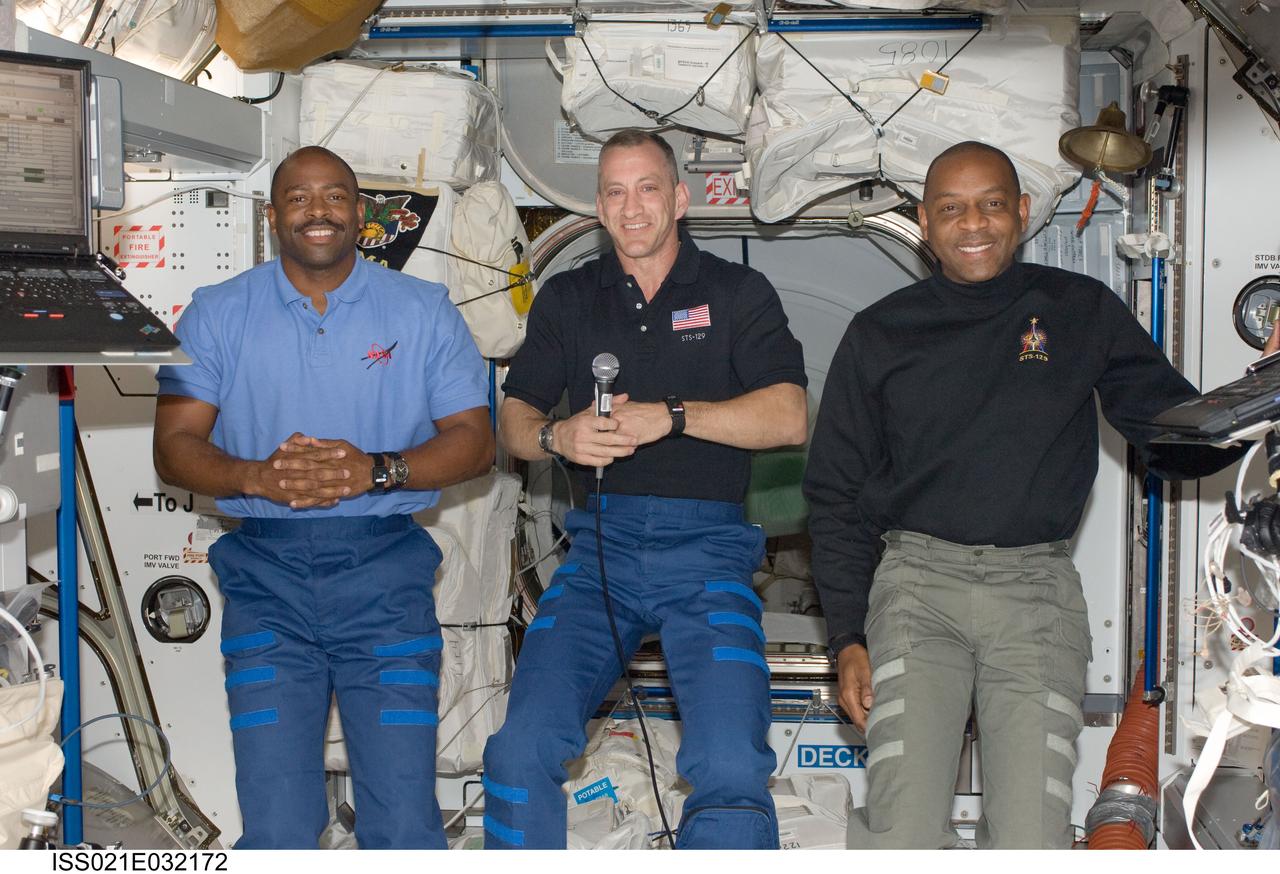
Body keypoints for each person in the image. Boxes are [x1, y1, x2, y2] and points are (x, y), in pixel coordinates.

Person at [803, 140, 1264, 849]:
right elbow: (835, 493)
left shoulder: (1078, 311)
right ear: (923, 221)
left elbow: (1172, 433)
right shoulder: (881, 333)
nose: (973, 224)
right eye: (951, 209)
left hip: (1034, 595)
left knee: (1032, 837)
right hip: (917, 592)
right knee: (903, 831)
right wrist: (847, 638)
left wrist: (1260, 396)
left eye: (991, 204)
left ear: (1021, 212)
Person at [152, 145, 493, 849]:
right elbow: (174, 446)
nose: (318, 211)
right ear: (272, 215)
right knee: (277, 825)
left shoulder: (423, 310)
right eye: (299, 197)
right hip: (265, 582)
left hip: (386, 579)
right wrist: (256, 477)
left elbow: (475, 440)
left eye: (335, 196)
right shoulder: (216, 313)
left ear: (360, 214)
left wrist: (378, 471)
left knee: (403, 821)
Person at [481, 129, 807, 849]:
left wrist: (673, 416)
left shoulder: (737, 292)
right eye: (615, 192)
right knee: (518, 750)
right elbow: (513, 418)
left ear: (680, 199)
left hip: (709, 553)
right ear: (599, 208)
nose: (632, 207)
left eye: (648, 188)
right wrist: (555, 437)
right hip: (602, 552)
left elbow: (788, 416)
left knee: (729, 764)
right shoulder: (569, 297)